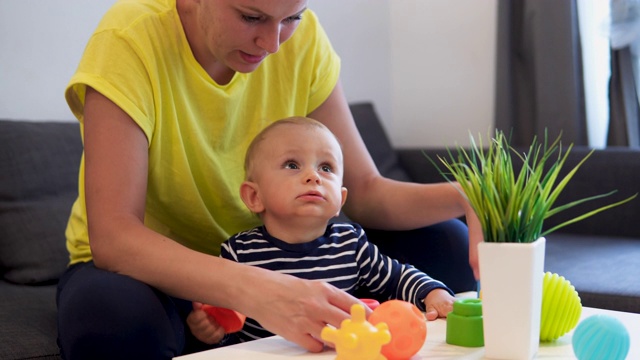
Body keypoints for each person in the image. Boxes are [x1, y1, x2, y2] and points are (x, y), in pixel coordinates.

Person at [56, 0, 482, 359]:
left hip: (286, 250)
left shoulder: (304, 39)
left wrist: (466, 196)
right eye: (251, 16)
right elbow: (114, 237)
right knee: (112, 320)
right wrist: (260, 291)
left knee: (447, 242)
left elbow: (365, 192)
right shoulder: (130, 39)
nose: (274, 44)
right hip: (161, 271)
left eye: (292, 17)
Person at [188, 117, 456, 344]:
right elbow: (226, 324)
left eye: (325, 167)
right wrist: (212, 329)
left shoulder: (351, 244)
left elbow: (397, 278)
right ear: (254, 197)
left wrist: (433, 293)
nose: (313, 176)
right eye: (292, 165)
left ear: (340, 199)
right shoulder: (239, 253)